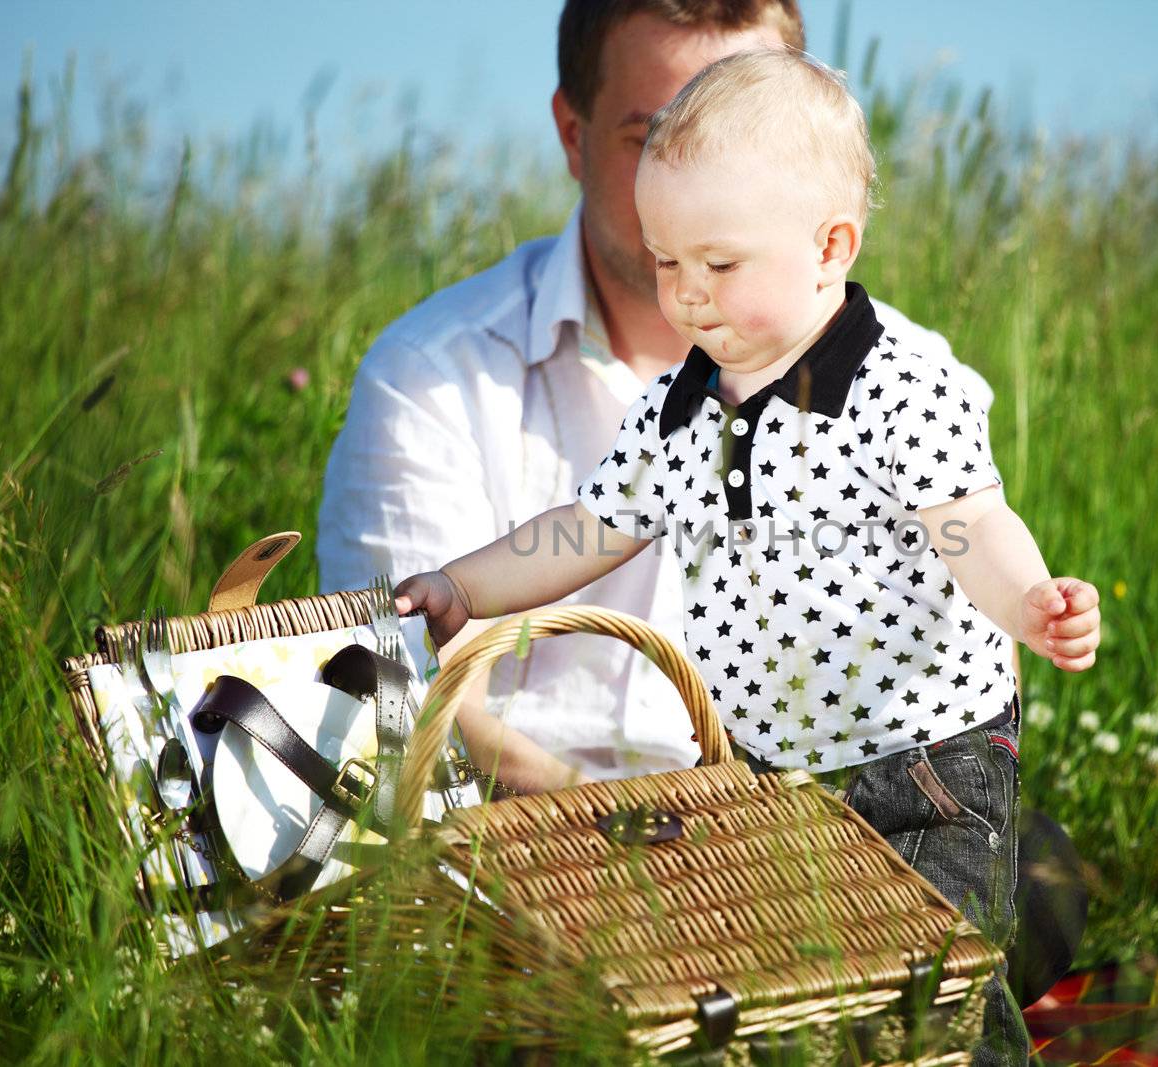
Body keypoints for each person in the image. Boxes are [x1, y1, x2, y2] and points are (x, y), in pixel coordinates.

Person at [395, 48, 1100, 1067]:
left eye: (718, 264)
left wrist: (1030, 596)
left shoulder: (898, 382)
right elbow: (584, 530)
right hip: (770, 769)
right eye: (665, 260)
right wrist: (465, 585)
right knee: (804, 984)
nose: (685, 293)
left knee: (931, 972)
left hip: (924, 757)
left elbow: (969, 523)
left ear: (830, 246)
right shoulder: (679, 408)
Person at [315, 0, 997, 792]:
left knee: (1026, 886)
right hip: (524, 841)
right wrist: (653, 846)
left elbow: (962, 668)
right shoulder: (431, 374)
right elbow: (410, 691)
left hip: (824, 830)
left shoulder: (909, 375)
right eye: (654, 141)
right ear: (574, 135)